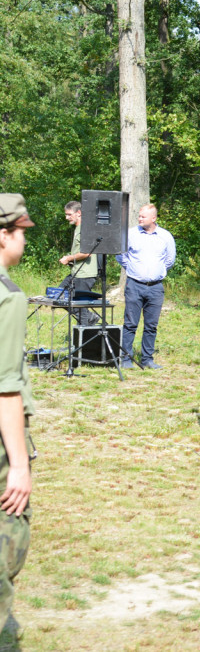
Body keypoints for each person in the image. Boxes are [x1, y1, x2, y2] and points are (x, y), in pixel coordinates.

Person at [0, 194, 36, 638]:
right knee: (8, 549)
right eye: (21, 233)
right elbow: (6, 388)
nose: (24, 241)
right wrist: (19, 465)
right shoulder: (8, 298)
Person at [116, 204, 176, 370]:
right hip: (134, 285)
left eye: (143, 216)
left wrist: (157, 272)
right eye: (139, 215)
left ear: (153, 218)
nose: (140, 218)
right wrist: (132, 269)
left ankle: (147, 359)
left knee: (151, 326)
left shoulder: (165, 236)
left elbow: (170, 260)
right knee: (130, 324)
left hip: (155, 288)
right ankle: (126, 359)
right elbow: (120, 255)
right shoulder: (131, 234)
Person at [58, 201, 100, 326]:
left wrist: (69, 258)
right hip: (76, 272)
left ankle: (84, 331)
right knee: (59, 295)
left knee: (81, 306)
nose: (67, 217)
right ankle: (90, 318)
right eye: (66, 214)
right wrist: (71, 260)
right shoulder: (78, 228)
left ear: (79, 213)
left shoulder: (84, 229)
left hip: (85, 274)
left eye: (69, 214)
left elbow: (87, 253)